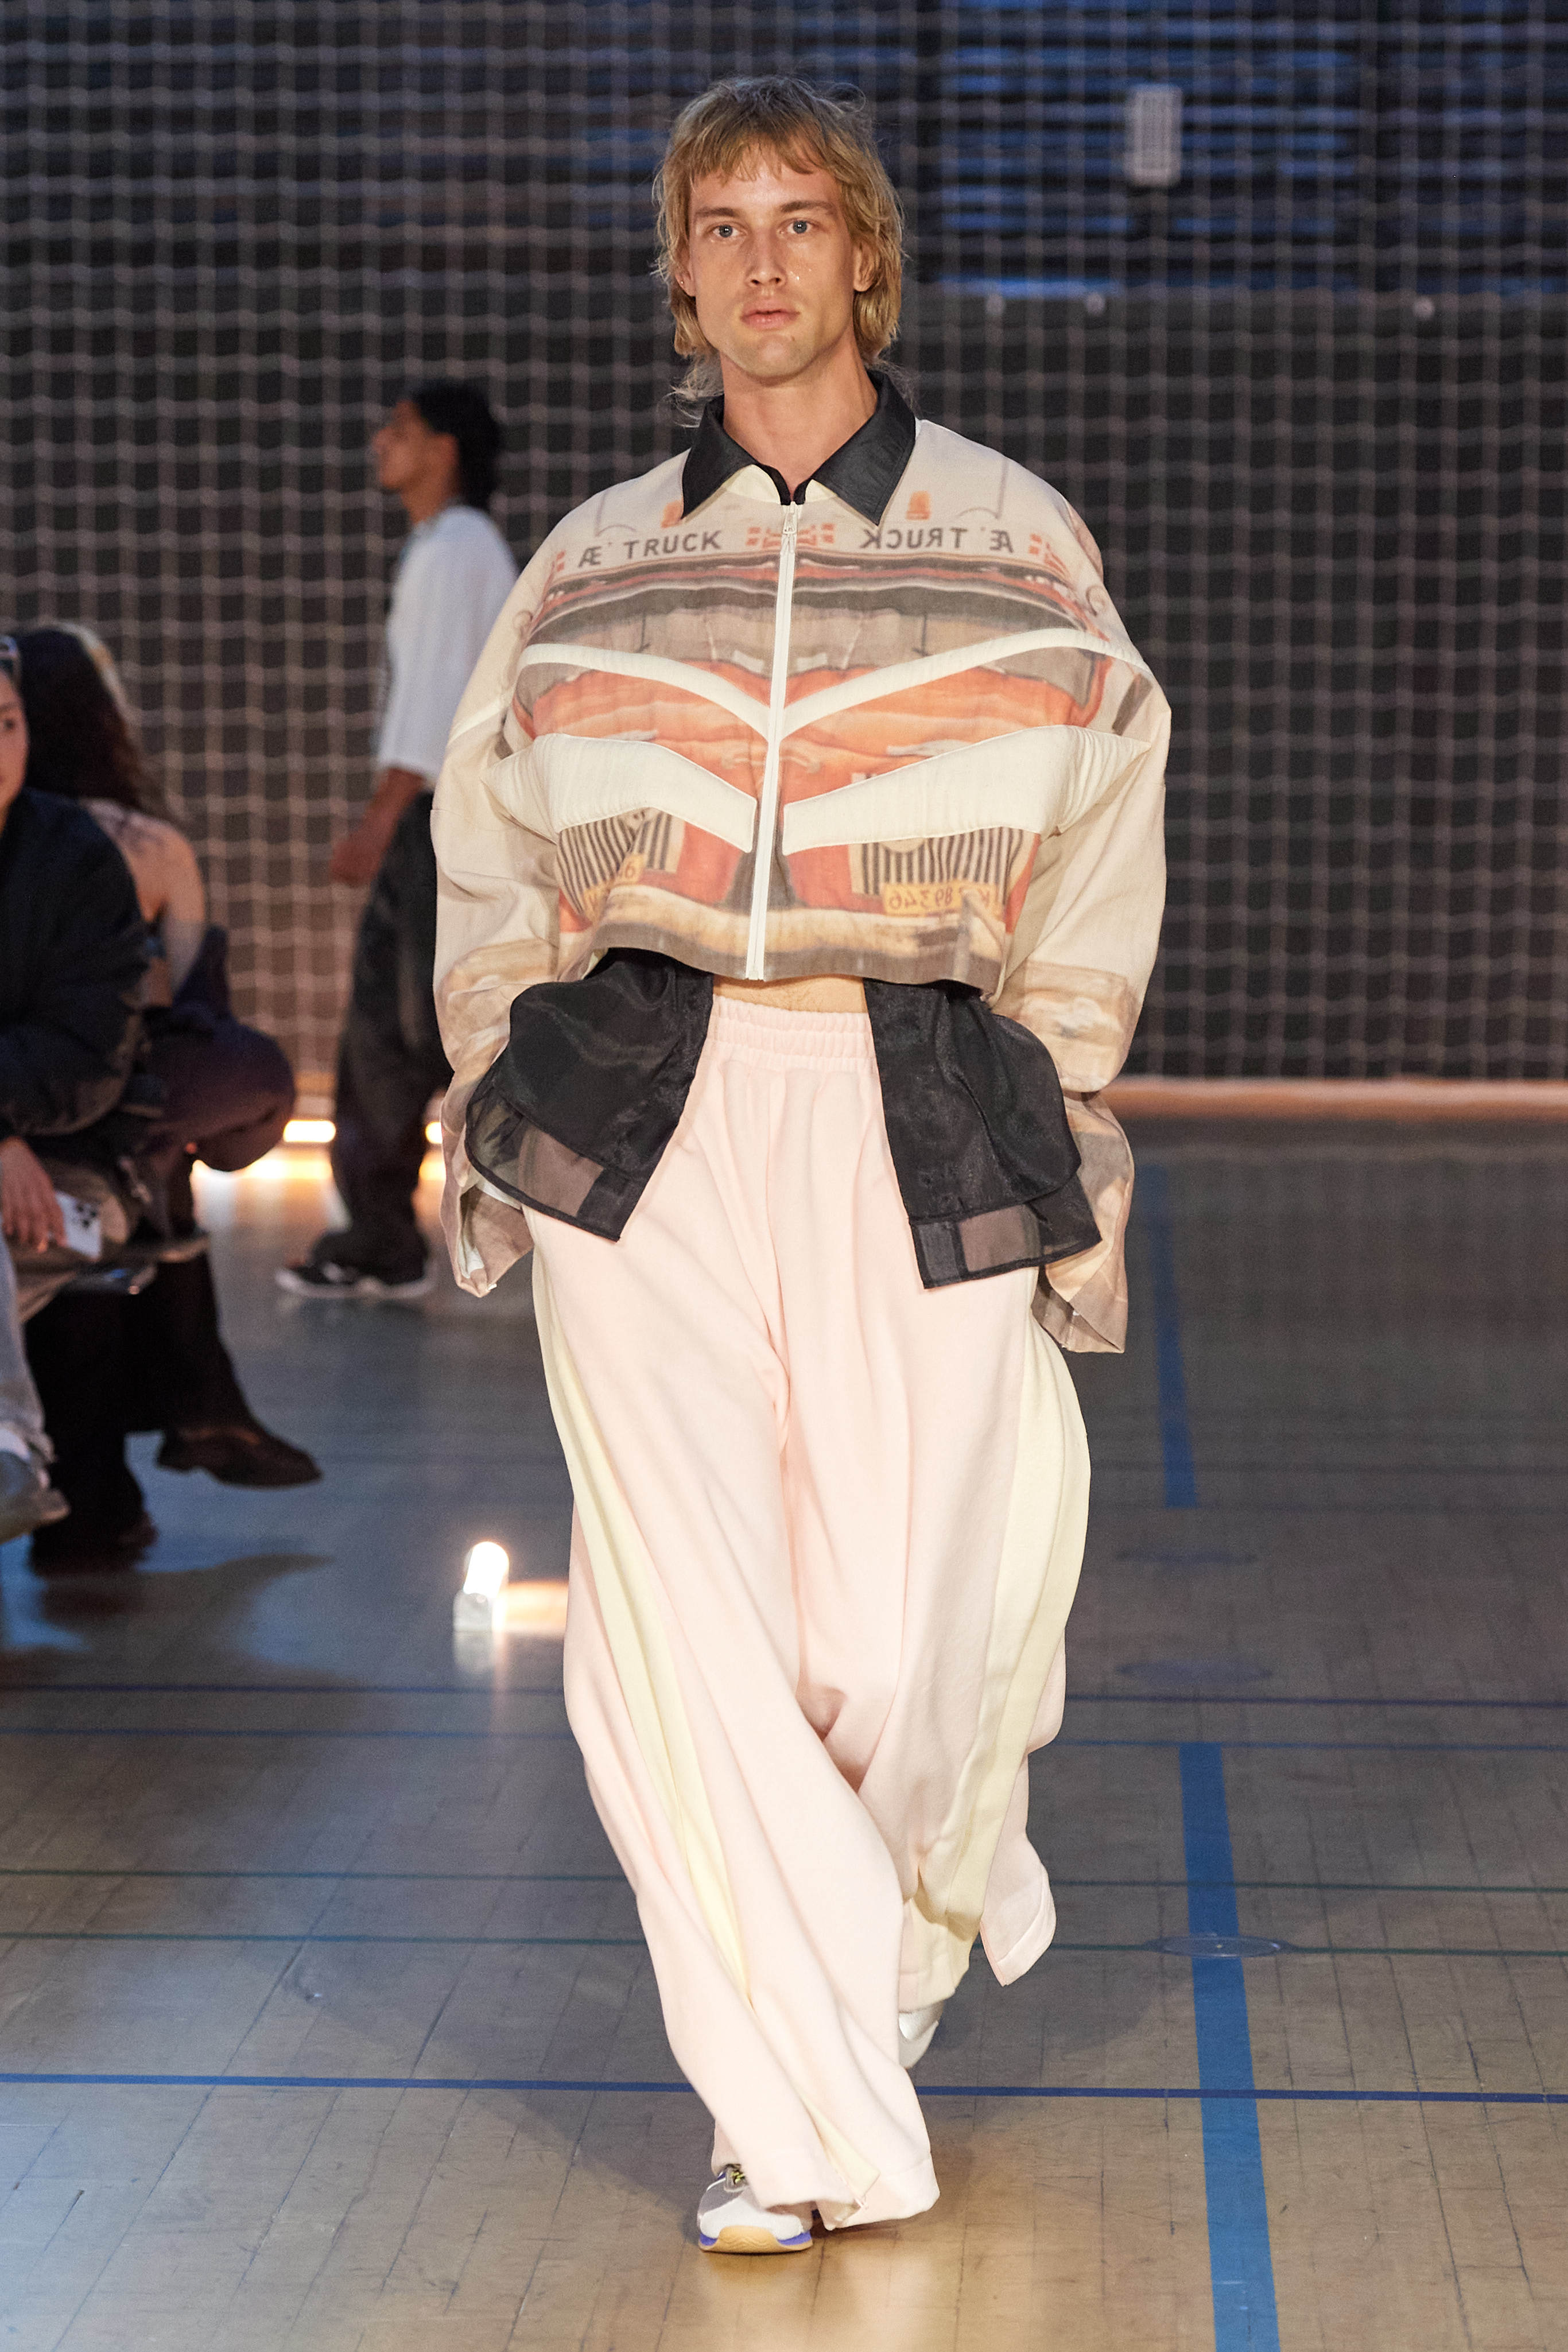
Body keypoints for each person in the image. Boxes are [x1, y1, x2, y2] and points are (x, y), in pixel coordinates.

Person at [432, 79, 1169, 2250]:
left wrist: (1054, 1083)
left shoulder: (1014, 536)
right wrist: (496, 1070)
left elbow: (1103, 831)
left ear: (865, 257)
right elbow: (488, 840)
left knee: (904, 1620)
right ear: (679, 275)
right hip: (635, 1113)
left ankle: (873, 1951)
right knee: (676, 1621)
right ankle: (789, 2114)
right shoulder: (590, 561)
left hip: (914, 1096)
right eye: (721, 225)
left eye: (800, 220)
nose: (761, 261)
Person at [12, 626, 317, 1574]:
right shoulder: (143, 845)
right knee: (170, 1159)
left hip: (64, 1104)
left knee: (134, 1190)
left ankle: (114, 1475)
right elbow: (197, 1006)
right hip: (99, 1115)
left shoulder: (61, 847)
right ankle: (188, 1410)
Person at [280, 383, 517, 1301]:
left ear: (444, 449)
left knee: (399, 1027)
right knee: (400, 1023)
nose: (383, 442)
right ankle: (385, 1230)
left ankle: (387, 1236)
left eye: (402, 429)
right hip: (439, 817)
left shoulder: (457, 550)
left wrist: (382, 819)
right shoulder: (449, 546)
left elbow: (436, 704)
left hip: (438, 819)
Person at [0, 633, 151, 1558]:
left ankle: (10, 1441)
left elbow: (90, 1056)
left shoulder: (76, 857)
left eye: (7, 723)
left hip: (79, 1186)